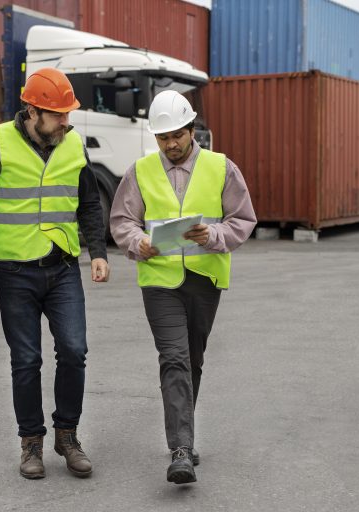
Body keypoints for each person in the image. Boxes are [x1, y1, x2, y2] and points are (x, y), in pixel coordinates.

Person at [0, 68, 110, 480]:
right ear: (33, 111)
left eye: (67, 114)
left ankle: (67, 435)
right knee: (26, 360)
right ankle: (31, 443)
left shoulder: (74, 143)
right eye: (58, 115)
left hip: (62, 268)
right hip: (15, 272)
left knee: (75, 351)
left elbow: (89, 203)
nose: (66, 122)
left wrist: (98, 251)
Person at [109, 90, 256, 485]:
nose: (171, 144)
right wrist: (138, 242)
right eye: (162, 137)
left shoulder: (222, 168)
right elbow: (123, 220)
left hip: (205, 279)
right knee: (173, 358)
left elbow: (243, 220)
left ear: (192, 130)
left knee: (192, 360)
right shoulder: (138, 172)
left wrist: (213, 235)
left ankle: (184, 440)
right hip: (159, 281)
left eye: (177, 134)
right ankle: (180, 450)